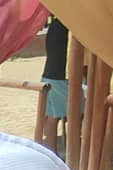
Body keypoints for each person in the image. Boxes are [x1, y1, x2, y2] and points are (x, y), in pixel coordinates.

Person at [41, 17, 70, 155]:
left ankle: (51, 152)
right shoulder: (65, 25)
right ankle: (53, 152)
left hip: (51, 75)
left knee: (52, 117)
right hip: (59, 78)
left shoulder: (55, 24)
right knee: (56, 118)